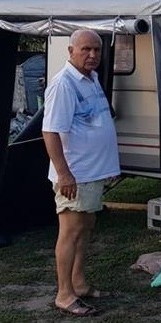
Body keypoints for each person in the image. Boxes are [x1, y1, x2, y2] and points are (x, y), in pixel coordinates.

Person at [42, 29, 120, 317]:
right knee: (71, 231)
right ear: (71, 51)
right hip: (76, 175)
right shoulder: (64, 84)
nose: (92, 55)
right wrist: (64, 174)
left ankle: (79, 283)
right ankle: (64, 294)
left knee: (86, 227)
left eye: (97, 50)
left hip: (92, 173)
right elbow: (50, 131)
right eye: (85, 49)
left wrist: (108, 166)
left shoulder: (92, 78)